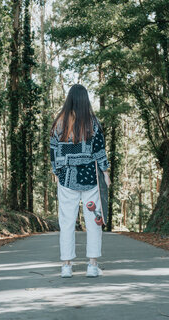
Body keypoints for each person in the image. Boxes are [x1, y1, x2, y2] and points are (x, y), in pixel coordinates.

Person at [49, 84, 111, 278]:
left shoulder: (59, 123)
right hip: (90, 178)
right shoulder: (92, 122)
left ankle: (66, 266)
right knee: (94, 221)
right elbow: (99, 150)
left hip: (67, 178)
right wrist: (105, 173)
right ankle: (92, 265)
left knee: (66, 221)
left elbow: (53, 150)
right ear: (85, 100)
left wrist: (56, 172)